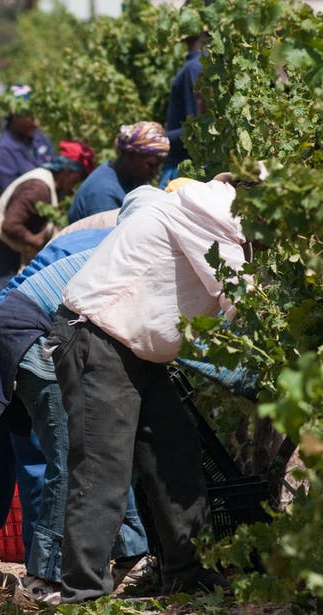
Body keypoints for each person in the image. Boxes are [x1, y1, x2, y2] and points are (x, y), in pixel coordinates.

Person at [48, 177, 243, 602]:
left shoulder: (185, 207)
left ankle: (188, 574)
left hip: (135, 350)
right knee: (103, 470)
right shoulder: (213, 225)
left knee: (174, 447)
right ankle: (83, 596)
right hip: (98, 339)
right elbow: (242, 297)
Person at [0, 239, 151, 606]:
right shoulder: (143, 252)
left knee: (99, 448)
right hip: (34, 339)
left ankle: (129, 545)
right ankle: (44, 577)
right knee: (72, 457)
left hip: (56, 332)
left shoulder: (139, 242)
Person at [0, 141, 96, 307]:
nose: (74, 188)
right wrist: (38, 242)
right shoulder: (38, 188)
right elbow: (10, 225)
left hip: (7, 253)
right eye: (77, 179)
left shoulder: (48, 185)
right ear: (68, 172)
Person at [67, 121, 169, 224]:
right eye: (150, 165)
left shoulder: (133, 178)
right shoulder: (103, 193)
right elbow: (106, 236)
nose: (155, 172)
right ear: (130, 155)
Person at [160, 10, 209, 189]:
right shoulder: (199, 64)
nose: (180, 19)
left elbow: (194, 130)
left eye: (188, 14)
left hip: (180, 169)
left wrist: (159, 138)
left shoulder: (194, 68)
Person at [0, 85, 53, 200]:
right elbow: (10, 197)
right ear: (15, 116)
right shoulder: (2, 151)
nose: (36, 123)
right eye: (29, 117)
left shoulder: (40, 139)